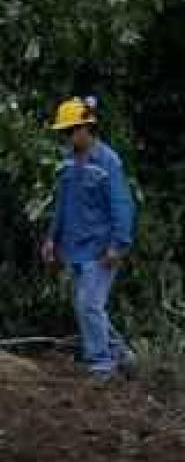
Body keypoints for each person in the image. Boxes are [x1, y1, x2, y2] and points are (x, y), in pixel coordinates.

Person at [41, 96, 137, 380]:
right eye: (64, 132)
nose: (68, 137)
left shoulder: (108, 162)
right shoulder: (68, 163)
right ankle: (121, 354)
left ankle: (101, 367)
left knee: (89, 305)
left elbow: (123, 205)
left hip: (101, 249)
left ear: (87, 127)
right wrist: (51, 240)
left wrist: (118, 245)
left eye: (71, 131)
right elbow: (62, 204)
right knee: (88, 306)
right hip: (75, 248)